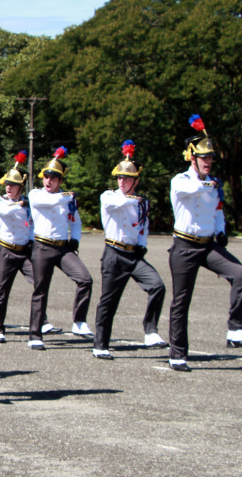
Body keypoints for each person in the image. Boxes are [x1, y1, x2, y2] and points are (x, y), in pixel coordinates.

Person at [167, 116, 242, 371]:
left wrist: (221, 230)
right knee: (181, 301)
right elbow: (191, 191)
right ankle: (177, 354)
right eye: (204, 158)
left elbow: (217, 211)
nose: (209, 162)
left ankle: (235, 330)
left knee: (241, 275)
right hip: (184, 246)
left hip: (206, 245)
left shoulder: (214, 184)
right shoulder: (181, 180)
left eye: (211, 158)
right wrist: (211, 184)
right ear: (192, 158)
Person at [92, 141, 167, 360]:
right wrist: (138, 200)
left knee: (157, 286)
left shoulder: (141, 202)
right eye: (119, 177)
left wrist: (142, 244)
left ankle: (150, 331)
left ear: (136, 180)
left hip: (133, 255)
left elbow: (143, 225)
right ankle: (100, 345)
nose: (122, 181)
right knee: (108, 301)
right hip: (114, 253)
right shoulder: (109, 196)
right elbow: (119, 205)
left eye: (127, 178)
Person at [27, 147, 94, 351]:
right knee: (41, 291)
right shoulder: (36, 194)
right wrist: (70, 196)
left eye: (54, 178)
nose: (48, 181)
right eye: (46, 177)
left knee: (85, 279)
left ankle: (79, 321)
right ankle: (35, 335)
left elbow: (75, 222)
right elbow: (52, 200)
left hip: (62, 248)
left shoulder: (67, 199)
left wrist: (74, 239)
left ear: (60, 181)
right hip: (42, 247)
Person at [0, 152, 59, 344]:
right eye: (7, 184)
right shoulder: (0, 201)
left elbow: (33, 224)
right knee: (2, 291)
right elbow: (5, 211)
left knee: (39, 284)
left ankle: (42, 321)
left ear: (21, 187)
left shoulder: (29, 205)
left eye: (12, 185)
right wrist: (21, 203)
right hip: (6, 251)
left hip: (25, 251)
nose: (8, 187)